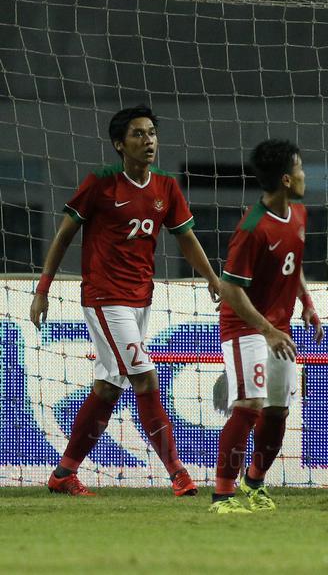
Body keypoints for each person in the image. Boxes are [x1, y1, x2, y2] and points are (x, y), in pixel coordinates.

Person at [30, 106, 220, 498]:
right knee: (145, 378)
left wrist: (212, 277)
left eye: (152, 133)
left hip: (141, 299)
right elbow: (65, 235)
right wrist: (43, 288)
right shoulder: (101, 182)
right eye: (138, 134)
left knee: (107, 389)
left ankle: (63, 473)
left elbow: (185, 238)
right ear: (120, 144)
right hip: (104, 297)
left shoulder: (166, 187)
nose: (148, 140)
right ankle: (179, 475)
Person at [210, 140, 324, 514]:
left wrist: (306, 303)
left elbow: (294, 263)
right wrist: (268, 331)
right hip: (245, 326)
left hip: (280, 328)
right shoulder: (252, 228)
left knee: (277, 412)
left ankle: (254, 483)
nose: (307, 175)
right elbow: (231, 290)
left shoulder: (299, 215)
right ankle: (222, 495)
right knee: (249, 405)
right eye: (302, 169)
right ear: (288, 179)